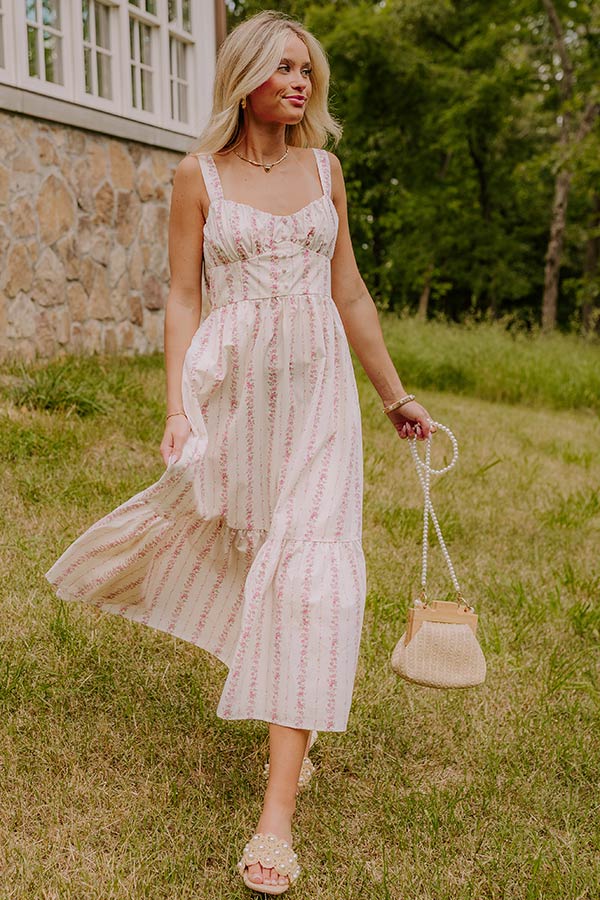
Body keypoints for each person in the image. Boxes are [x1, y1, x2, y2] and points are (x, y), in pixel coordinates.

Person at [45, 9, 435, 895]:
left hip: (318, 398)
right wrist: (178, 406)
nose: (301, 83)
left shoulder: (326, 171)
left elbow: (352, 294)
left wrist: (394, 395)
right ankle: (292, 718)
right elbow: (184, 296)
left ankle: (275, 818)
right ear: (245, 76)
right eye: (285, 68)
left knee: (308, 574)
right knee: (240, 554)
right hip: (236, 393)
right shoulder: (198, 178)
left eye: (309, 70)